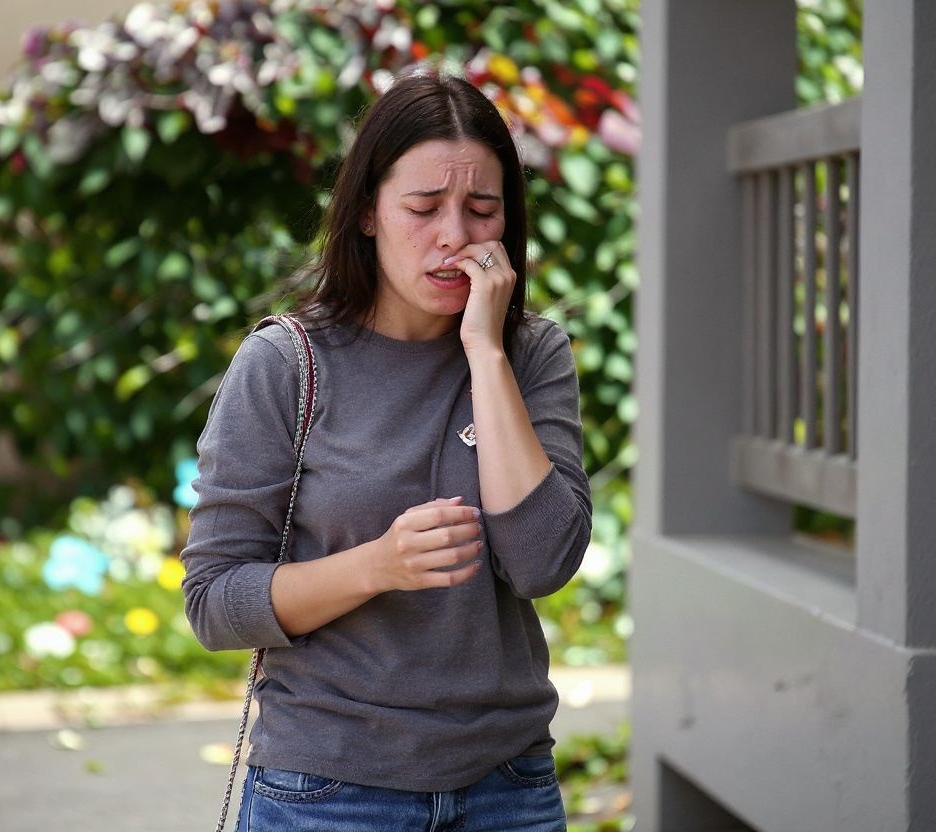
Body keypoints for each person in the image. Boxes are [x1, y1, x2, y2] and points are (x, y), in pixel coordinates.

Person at [181, 66, 592, 831]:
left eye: (481, 209)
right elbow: (214, 604)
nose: (455, 237)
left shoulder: (530, 355)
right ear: (367, 211)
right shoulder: (287, 364)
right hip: (327, 791)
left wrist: (484, 352)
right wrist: (379, 566)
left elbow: (543, 563)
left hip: (508, 786)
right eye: (423, 207)